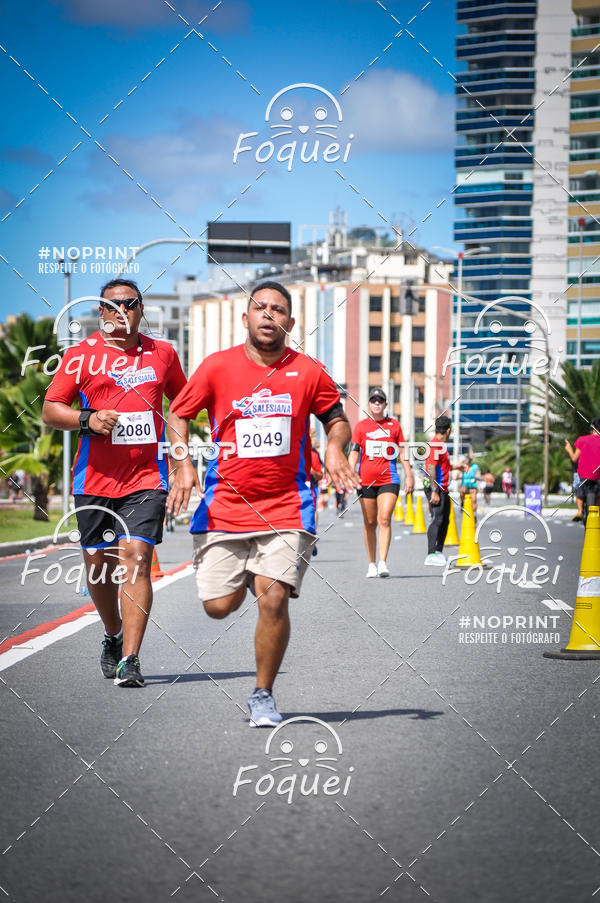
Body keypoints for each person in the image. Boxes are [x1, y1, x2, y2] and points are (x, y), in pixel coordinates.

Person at [166, 281, 360, 727]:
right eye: (260, 308)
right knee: (218, 607)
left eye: (278, 310)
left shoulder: (308, 371)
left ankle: (263, 695)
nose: (268, 315)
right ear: (246, 318)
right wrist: (182, 463)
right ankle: (247, 572)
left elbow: (337, 419)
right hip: (224, 507)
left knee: (273, 599)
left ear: (290, 323)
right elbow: (178, 413)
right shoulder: (216, 368)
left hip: (287, 506)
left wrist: (334, 447)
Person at [42, 278, 186, 688]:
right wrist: (88, 420)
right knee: (98, 567)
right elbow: (52, 410)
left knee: (137, 557)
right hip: (95, 479)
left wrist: (181, 458)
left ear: (141, 309)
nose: (121, 311)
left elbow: (181, 403)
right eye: (111, 305)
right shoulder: (80, 356)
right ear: (101, 312)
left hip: (146, 477)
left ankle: (131, 660)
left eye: (130, 303)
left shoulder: (163, 354)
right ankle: (113, 632)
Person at [347, 387, 413, 578]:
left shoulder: (394, 425)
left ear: (385, 404)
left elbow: (403, 452)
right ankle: (371, 563)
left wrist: (409, 475)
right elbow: (353, 453)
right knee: (369, 522)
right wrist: (350, 473)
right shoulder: (360, 427)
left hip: (388, 479)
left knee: (384, 519)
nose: (376, 403)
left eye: (380, 400)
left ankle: (383, 562)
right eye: (373, 400)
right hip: (365, 481)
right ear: (369, 404)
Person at [423, 414, 452, 566]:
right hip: (436, 487)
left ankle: (439, 552)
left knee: (445, 520)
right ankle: (431, 554)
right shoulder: (435, 444)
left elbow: (442, 466)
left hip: (443, 487)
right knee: (437, 519)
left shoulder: (440, 445)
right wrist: (434, 491)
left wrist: (457, 466)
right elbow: (431, 467)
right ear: (448, 431)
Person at [565, 419, 600, 522]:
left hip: (583, 476)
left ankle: (580, 511)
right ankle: (597, 511)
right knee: (599, 494)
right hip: (598, 477)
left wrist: (569, 449)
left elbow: (574, 458)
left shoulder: (582, 440)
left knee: (578, 490)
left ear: (591, 428)